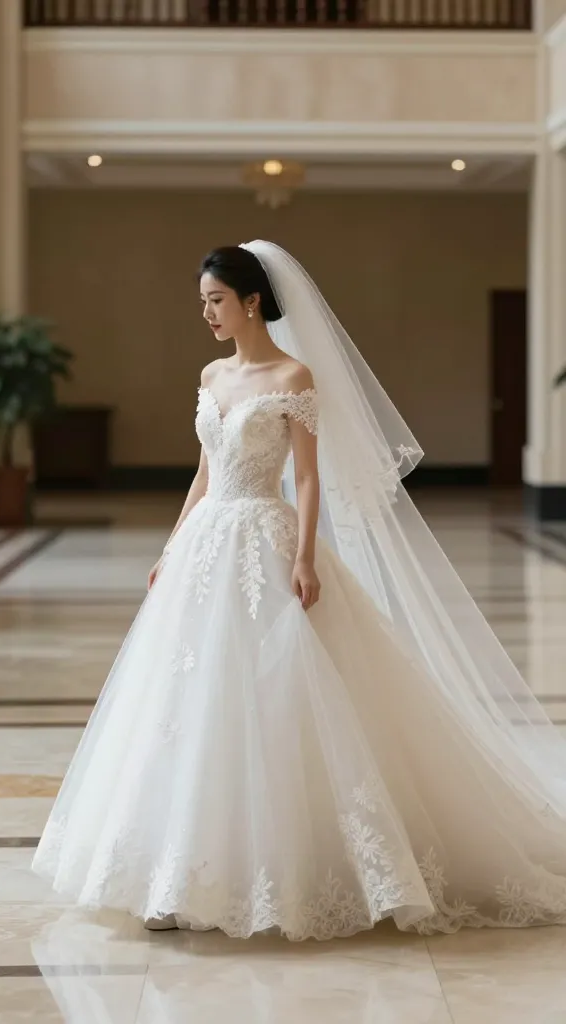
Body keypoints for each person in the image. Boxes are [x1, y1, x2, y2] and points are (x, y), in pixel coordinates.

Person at [32, 242, 566, 941]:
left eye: (216, 300)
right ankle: (173, 873)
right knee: (188, 697)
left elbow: (307, 479)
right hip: (206, 547)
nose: (208, 314)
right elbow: (203, 473)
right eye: (202, 303)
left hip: (268, 539)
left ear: (251, 300)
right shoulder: (212, 375)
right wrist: (171, 545)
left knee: (279, 693)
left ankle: (291, 868)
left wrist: (307, 558)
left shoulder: (294, 375)